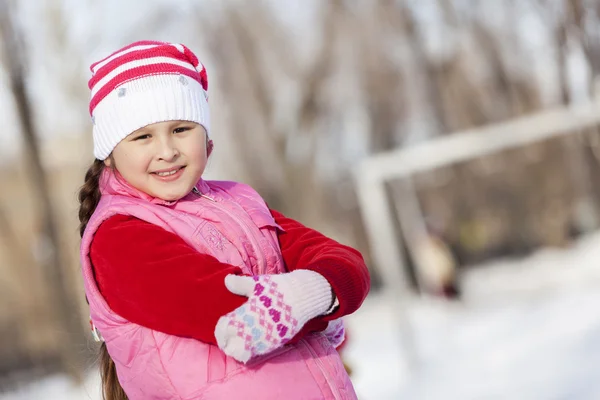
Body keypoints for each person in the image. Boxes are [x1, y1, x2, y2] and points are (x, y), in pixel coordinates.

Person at [78, 40, 370, 400]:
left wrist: (319, 292)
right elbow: (227, 308)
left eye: (181, 129)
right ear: (108, 155)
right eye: (143, 137)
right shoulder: (118, 238)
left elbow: (346, 265)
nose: (167, 151)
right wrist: (315, 300)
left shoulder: (240, 202)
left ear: (206, 137)